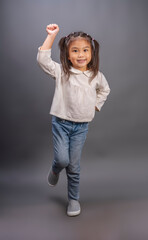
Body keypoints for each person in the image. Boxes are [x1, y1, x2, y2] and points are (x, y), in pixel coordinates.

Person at [37, 23, 110, 217]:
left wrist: (96, 104)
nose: (81, 55)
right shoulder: (62, 72)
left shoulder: (95, 75)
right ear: (68, 55)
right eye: (75, 51)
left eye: (85, 50)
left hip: (81, 127)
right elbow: (43, 60)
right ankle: (55, 169)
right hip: (61, 123)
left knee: (74, 165)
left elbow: (105, 89)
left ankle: (73, 199)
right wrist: (51, 36)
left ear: (92, 53)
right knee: (62, 159)